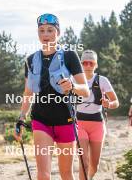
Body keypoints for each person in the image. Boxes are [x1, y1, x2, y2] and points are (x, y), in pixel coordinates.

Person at [14, 13, 90, 180]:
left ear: (58, 32)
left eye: (50, 30)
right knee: (43, 174)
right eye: (41, 31)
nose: (46, 34)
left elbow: (85, 90)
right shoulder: (30, 60)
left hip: (66, 119)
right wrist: (21, 118)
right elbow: (28, 93)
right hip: (41, 120)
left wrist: (72, 86)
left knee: (65, 173)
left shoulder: (70, 56)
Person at [77, 50, 119, 180]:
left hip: (97, 125)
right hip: (79, 124)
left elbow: (116, 102)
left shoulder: (102, 80)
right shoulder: (74, 80)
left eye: (91, 63)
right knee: (84, 161)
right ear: (81, 64)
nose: (88, 65)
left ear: (96, 65)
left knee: (94, 166)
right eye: (85, 62)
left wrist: (109, 104)